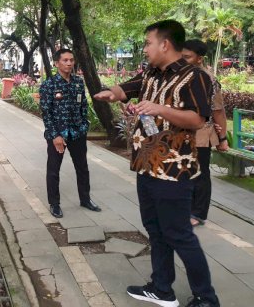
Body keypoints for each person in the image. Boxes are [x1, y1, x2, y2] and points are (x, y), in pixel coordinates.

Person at [94, 20, 219, 307]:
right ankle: (162, 289)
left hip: (175, 170)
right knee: (155, 228)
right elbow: (125, 89)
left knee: (179, 234)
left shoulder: (194, 77)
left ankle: (207, 297)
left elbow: (198, 118)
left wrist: (161, 108)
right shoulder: (151, 74)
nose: (145, 48)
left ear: (165, 44)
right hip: (147, 165)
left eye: (148, 42)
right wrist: (112, 94)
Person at [39, 48, 101, 218]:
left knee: (82, 168)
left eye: (71, 60)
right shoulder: (49, 85)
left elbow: (83, 107)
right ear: (57, 63)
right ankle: (54, 204)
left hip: (77, 133)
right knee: (53, 170)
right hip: (57, 135)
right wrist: (55, 136)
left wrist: (84, 126)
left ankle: (85, 199)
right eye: (65, 60)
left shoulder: (78, 82)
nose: (69, 63)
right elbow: (46, 112)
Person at [182, 40, 229, 227]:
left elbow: (218, 110)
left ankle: (199, 213)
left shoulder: (208, 79)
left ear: (199, 59)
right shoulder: (183, 76)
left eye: (187, 57)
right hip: (181, 132)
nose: (183, 60)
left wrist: (223, 138)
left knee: (200, 173)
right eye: (181, 56)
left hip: (202, 133)